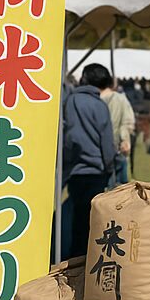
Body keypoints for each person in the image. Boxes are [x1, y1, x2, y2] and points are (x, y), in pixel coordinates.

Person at [61, 63, 115, 258]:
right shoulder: (99, 105)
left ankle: (74, 257)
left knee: (76, 218)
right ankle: (84, 259)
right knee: (92, 220)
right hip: (96, 170)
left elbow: (69, 136)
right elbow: (107, 140)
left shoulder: (71, 101)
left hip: (75, 169)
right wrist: (110, 166)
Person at [101, 78, 136, 187]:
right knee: (121, 185)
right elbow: (127, 121)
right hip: (118, 146)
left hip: (102, 148)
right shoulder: (121, 99)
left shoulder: (93, 99)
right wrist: (125, 139)